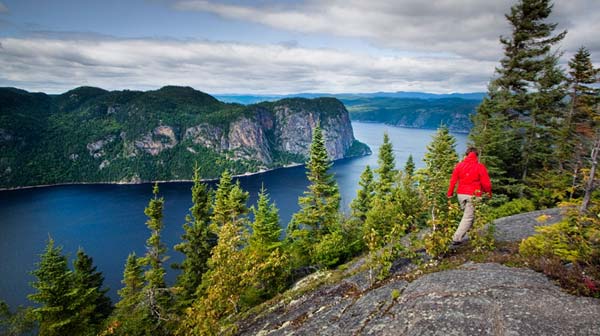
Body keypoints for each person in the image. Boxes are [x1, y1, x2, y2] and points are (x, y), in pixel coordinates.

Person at [447, 147, 492, 245]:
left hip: (461, 195)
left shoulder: (459, 166)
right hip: (474, 195)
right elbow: (486, 184)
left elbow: (453, 181)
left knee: (469, 215)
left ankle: (472, 235)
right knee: (468, 217)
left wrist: (450, 193)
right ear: (477, 156)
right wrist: (488, 194)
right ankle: (456, 238)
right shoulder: (480, 167)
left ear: (466, 154)